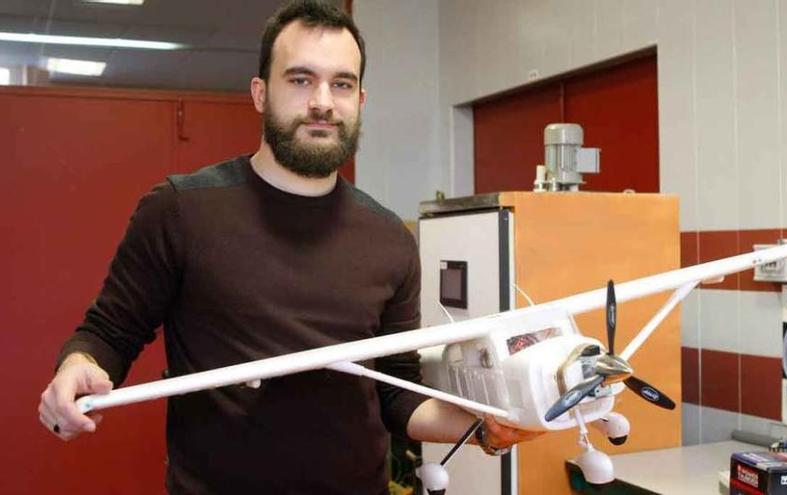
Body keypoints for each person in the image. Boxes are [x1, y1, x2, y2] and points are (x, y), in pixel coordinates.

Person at [37, 1, 539, 493]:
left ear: (359, 101)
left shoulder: (389, 238)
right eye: (301, 80)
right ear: (260, 93)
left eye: (341, 84)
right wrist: (77, 366)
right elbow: (109, 333)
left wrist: (484, 426)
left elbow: (395, 393)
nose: (322, 101)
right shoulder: (180, 211)